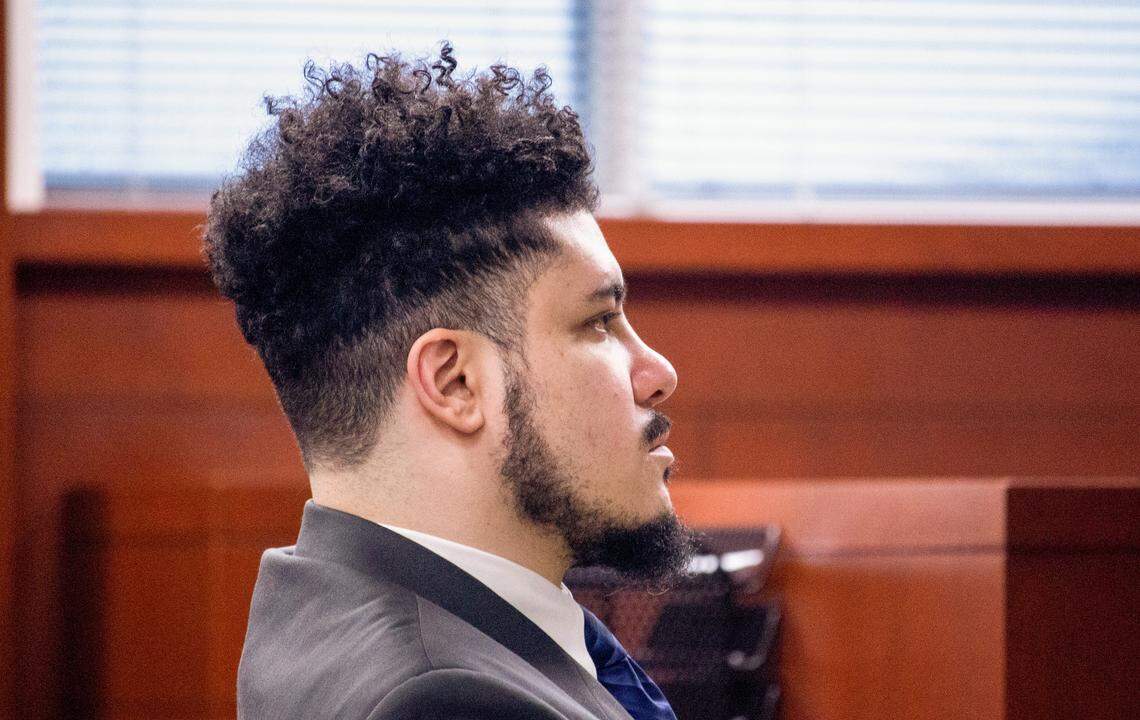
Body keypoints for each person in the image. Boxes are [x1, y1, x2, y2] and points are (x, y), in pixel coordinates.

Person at [203, 43, 700, 719]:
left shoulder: (322, 599)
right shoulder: (446, 700)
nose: (657, 373)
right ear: (457, 382)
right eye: (598, 323)